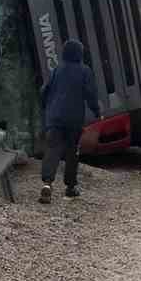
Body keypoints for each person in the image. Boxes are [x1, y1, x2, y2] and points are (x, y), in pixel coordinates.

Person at [39, 39, 100, 203]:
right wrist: (96, 111)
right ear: (79, 54)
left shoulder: (56, 70)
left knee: (52, 149)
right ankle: (70, 187)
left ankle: (47, 183)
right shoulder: (84, 71)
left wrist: (46, 107)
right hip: (74, 120)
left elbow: (44, 91)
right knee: (72, 152)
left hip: (54, 117)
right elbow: (90, 94)